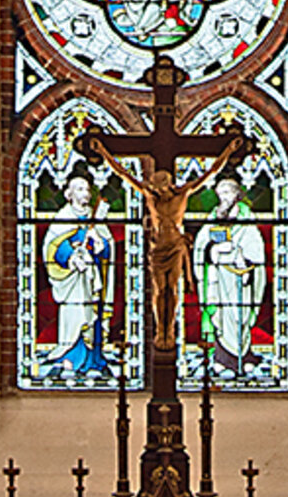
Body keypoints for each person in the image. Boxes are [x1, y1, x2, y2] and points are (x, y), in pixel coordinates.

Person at [86, 127, 245, 351]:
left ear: (168, 184)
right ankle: (161, 329)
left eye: (159, 186)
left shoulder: (182, 194)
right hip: (159, 247)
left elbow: (210, 172)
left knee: (173, 289)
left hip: (176, 246)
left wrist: (228, 151)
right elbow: (124, 174)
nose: (157, 190)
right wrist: (103, 152)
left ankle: (169, 329)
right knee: (160, 290)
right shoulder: (151, 197)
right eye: (154, 187)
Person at [41, 170, 114, 377]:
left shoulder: (95, 218)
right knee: (74, 316)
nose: (85, 193)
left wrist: (101, 245)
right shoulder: (63, 218)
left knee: (93, 317)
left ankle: (93, 361)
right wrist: (71, 257)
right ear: (69, 194)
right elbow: (52, 245)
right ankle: (70, 359)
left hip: (92, 278)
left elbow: (107, 246)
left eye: (87, 189)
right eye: (80, 189)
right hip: (73, 279)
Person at [194, 170, 266, 376]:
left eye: (228, 192)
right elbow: (201, 246)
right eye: (221, 192)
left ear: (237, 194)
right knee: (220, 315)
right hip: (217, 278)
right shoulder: (213, 217)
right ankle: (222, 357)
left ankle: (243, 356)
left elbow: (255, 247)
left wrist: (241, 256)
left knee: (239, 316)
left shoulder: (246, 218)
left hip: (240, 278)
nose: (224, 197)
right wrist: (212, 251)